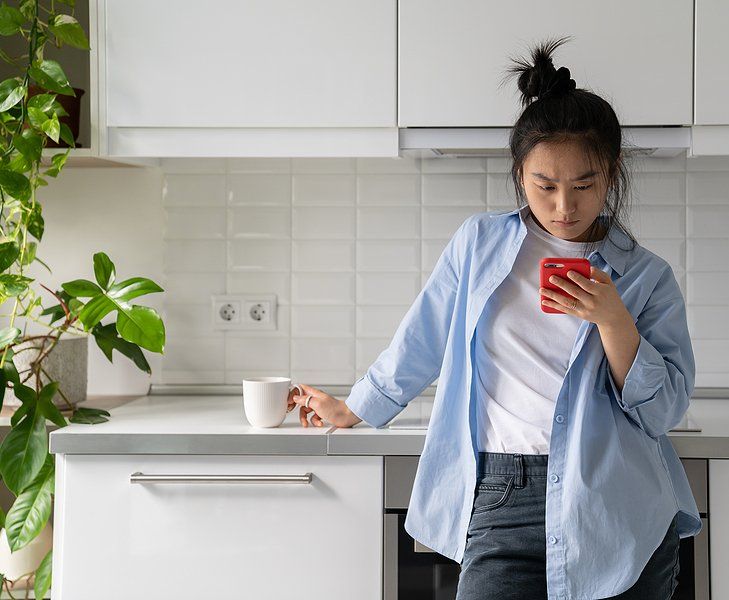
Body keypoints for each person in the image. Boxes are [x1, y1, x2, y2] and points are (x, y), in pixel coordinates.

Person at [288, 35, 701, 600]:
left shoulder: (647, 276)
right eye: (545, 186)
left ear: (611, 174)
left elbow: (665, 411)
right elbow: (423, 338)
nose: (564, 207)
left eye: (584, 185)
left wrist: (614, 322)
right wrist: (356, 406)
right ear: (518, 175)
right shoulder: (479, 244)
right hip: (501, 492)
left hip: (615, 501)